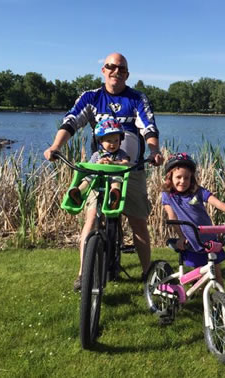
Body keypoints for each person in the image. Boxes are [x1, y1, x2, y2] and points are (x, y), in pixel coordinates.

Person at [44, 52, 164, 291]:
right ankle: (83, 273)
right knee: (91, 218)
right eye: (111, 67)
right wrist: (56, 147)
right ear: (103, 70)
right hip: (99, 167)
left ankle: (147, 274)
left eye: (121, 69)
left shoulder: (137, 98)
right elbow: (71, 121)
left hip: (131, 168)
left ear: (127, 74)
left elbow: (148, 126)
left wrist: (154, 151)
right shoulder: (91, 97)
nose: (115, 72)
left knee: (138, 222)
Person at [161, 153, 225, 284]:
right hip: (191, 241)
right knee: (199, 276)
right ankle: (203, 299)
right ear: (170, 177)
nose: (182, 181)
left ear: (191, 178)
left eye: (186, 178)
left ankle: (221, 302)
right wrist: (181, 237)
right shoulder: (168, 195)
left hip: (209, 239)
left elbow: (218, 203)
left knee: (217, 275)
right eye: (178, 177)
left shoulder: (198, 191)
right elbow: (172, 217)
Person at [67, 118, 130, 210]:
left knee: (116, 180)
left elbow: (126, 163)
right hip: (97, 178)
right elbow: (89, 167)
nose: (113, 144)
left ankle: (114, 195)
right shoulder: (97, 154)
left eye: (116, 141)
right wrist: (98, 163)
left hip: (113, 175)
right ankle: (78, 193)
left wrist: (113, 163)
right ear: (101, 141)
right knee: (88, 179)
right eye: (109, 141)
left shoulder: (121, 153)